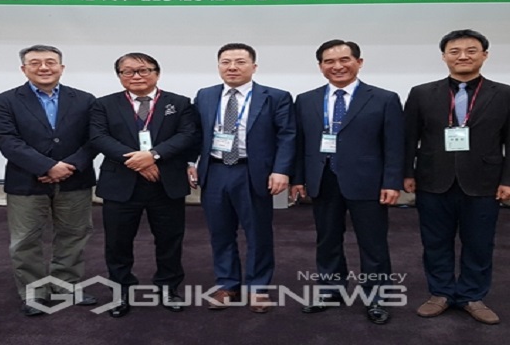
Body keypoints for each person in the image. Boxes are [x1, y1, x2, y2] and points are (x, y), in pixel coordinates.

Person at [404, 29, 510, 325]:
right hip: (433, 180)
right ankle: (441, 293)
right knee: (435, 242)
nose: (463, 56)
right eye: (455, 51)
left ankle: (473, 295)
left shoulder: (508, 95)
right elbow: (408, 138)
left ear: (484, 55)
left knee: (479, 243)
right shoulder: (421, 93)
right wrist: (406, 173)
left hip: (484, 182)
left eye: (471, 51)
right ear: (444, 57)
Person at [289, 40, 404, 325]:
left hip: (368, 182)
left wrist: (392, 182)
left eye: (344, 59)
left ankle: (376, 297)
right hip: (323, 179)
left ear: (359, 62)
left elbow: (394, 145)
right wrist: (298, 178)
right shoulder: (306, 100)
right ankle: (331, 291)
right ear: (320, 66)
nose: (337, 66)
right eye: (329, 61)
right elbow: (300, 143)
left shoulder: (384, 98)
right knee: (327, 239)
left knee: (373, 243)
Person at [0, 45, 98, 316]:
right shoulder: (4, 101)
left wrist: (69, 166)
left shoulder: (85, 100)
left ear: (62, 67)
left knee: (73, 235)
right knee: (25, 240)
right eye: (35, 63)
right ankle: (33, 293)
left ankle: (66, 287)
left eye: (50, 62)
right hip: (26, 180)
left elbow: (94, 139)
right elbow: (7, 141)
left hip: (75, 179)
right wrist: (48, 166)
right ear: (23, 69)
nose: (44, 67)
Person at [89, 52, 199, 318]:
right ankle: (121, 291)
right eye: (127, 71)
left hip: (165, 182)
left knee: (170, 239)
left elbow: (187, 135)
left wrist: (153, 156)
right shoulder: (104, 104)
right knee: (117, 242)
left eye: (143, 70)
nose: (136, 76)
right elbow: (98, 137)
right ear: (119, 76)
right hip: (121, 183)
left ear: (156, 73)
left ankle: (169, 287)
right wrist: (139, 162)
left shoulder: (179, 103)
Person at [188, 42, 295, 314]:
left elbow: (287, 136)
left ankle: (258, 288)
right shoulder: (205, 95)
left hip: (253, 172)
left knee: (258, 233)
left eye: (240, 62)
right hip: (215, 171)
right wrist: (190, 162)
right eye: (226, 62)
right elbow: (194, 133)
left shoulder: (276, 97)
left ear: (254, 67)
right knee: (220, 233)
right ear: (218, 66)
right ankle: (227, 285)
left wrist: (281, 170)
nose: (232, 67)